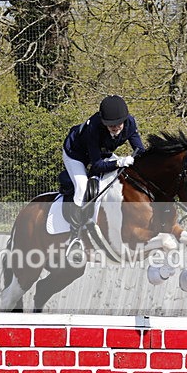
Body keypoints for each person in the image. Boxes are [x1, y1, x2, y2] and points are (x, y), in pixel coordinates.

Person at [61, 95, 145, 254]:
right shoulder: (94, 128)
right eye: (110, 124)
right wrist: (119, 162)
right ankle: (75, 238)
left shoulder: (130, 124)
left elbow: (139, 150)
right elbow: (97, 165)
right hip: (76, 154)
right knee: (82, 188)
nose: (115, 127)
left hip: (101, 153)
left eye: (117, 123)